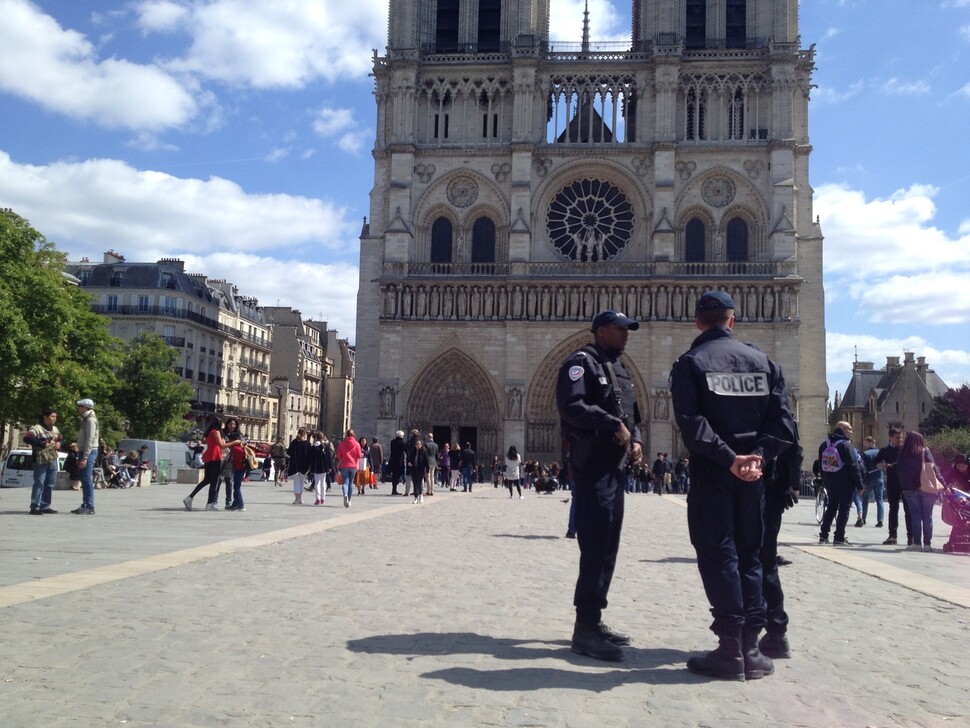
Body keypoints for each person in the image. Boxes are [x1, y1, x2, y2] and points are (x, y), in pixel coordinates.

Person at [669, 291, 796, 681]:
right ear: (733, 320)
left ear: (697, 322)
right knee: (752, 555)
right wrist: (756, 456)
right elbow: (785, 426)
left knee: (717, 552)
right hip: (754, 477)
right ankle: (752, 647)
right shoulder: (765, 363)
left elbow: (692, 425)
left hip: (715, 473)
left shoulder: (691, 363)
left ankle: (729, 649)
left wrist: (729, 459)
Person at [557, 309, 643, 661]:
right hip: (593, 466)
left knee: (609, 542)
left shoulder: (619, 369)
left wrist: (635, 439)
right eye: (620, 330)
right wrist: (611, 425)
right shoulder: (581, 363)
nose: (626, 335)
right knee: (594, 544)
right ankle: (584, 628)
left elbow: (631, 415)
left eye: (628, 330)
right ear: (601, 331)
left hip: (615, 467)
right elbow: (571, 406)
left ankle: (595, 617)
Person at [759, 433, 803, 660]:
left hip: (749, 484)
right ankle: (776, 633)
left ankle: (741, 633)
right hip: (774, 488)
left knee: (743, 560)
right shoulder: (778, 403)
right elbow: (794, 449)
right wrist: (790, 484)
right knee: (766, 560)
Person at [817, 421, 865, 546]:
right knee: (844, 509)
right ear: (842, 429)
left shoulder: (824, 444)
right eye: (849, 428)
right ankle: (839, 537)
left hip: (829, 481)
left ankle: (823, 535)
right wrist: (859, 485)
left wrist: (824, 479)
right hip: (845, 482)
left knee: (831, 507)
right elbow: (854, 466)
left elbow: (820, 465)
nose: (851, 431)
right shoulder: (846, 445)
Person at [897, 431, 941, 552]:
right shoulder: (924, 451)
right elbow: (934, 469)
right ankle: (927, 544)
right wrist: (943, 483)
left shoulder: (902, 453)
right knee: (927, 516)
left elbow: (899, 471)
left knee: (915, 515)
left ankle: (916, 543)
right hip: (926, 487)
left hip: (909, 489)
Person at [875, 428, 914, 546]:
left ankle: (911, 537)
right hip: (892, 483)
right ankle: (892, 535)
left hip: (906, 482)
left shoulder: (905, 449)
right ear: (890, 437)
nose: (899, 440)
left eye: (901, 438)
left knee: (908, 510)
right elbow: (876, 463)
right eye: (897, 438)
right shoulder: (885, 450)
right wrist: (883, 465)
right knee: (893, 509)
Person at [183, 415, 229, 511]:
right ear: (219, 424)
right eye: (222, 423)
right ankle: (209, 504)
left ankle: (190, 498)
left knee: (207, 480)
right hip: (214, 457)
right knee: (214, 482)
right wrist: (235, 442)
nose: (223, 424)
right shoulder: (216, 432)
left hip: (209, 457)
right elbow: (222, 445)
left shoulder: (209, 432)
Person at [24, 407, 62, 514]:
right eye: (52, 416)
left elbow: (60, 438)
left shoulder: (55, 429)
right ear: (45, 417)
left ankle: (45, 505)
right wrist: (41, 443)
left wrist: (59, 443)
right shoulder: (37, 428)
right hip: (40, 459)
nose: (55, 418)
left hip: (52, 458)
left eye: (56, 417)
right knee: (39, 482)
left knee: (50, 483)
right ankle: (35, 506)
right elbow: (27, 438)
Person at [73, 398, 100, 515]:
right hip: (84, 450)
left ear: (86, 407)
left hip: (88, 451)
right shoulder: (86, 419)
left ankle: (90, 506)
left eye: (80, 406)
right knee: (84, 478)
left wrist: (85, 457)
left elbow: (90, 439)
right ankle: (85, 504)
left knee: (87, 478)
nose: (78, 408)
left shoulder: (90, 421)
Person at [860, 436, 885, 528]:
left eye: (865, 443)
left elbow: (864, 469)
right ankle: (880, 520)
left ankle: (863, 518)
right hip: (879, 478)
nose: (865, 445)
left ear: (870, 443)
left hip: (869, 479)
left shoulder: (866, 454)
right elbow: (883, 465)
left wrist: (864, 482)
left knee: (865, 500)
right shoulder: (880, 452)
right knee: (880, 500)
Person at [335, 429, 363, 508]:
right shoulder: (357, 444)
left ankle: (345, 495)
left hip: (344, 466)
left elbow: (338, 456)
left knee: (345, 482)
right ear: (353, 435)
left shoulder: (341, 444)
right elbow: (359, 455)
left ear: (346, 435)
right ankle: (349, 499)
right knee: (351, 482)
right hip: (353, 466)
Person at [287, 428, 312, 505]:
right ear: (304, 434)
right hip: (304, 466)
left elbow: (289, 453)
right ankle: (300, 498)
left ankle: (297, 498)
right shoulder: (307, 444)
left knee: (296, 482)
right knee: (301, 482)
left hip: (295, 465)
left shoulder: (294, 442)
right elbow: (309, 456)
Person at [309, 431, 334, 505]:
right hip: (324, 466)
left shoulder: (314, 447)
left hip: (316, 466)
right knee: (323, 482)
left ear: (316, 438)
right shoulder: (326, 446)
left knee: (317, 482)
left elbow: (311, 458)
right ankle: (323, 498)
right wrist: (330, 466)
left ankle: (318, 498)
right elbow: (329, 457)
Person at [227, 438, 248, 511]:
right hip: (241, 468)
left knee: (237, 487)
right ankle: (236, 504)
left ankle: (241, 505)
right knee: (236, 486)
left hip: (238, 468)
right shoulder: (242, 446)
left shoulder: (236, 448)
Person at [409, 439, 430, 504]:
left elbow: (426, 461)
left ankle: (420, 495)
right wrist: (409, 463)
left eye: (419, 444)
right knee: (415, 483)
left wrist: (427, 469)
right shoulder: (412, 451)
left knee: (419, 482)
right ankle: (416, 497)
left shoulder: (424, 452)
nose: (417, 445)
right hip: (413, 469)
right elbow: (409, 459)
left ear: (421, 445)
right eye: (416, 444)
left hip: (421, 470)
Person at [388, 430, 407, 495]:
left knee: (394, 475)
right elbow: (405, 451)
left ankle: (393, 489)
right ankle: (394, 490)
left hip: (392, 460)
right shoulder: (402, 443)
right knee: (397, 475)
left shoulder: (392, 442)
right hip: (399, 461)